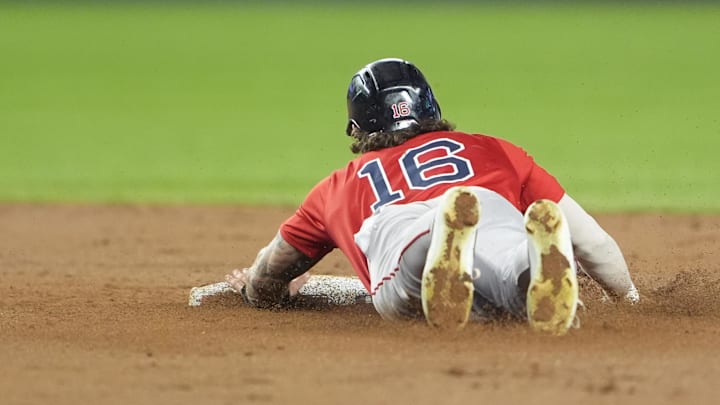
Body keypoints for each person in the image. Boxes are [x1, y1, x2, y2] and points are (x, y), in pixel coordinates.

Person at [225, 58, 639, 335]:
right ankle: (529, 266)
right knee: (506, 264)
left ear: (358, 128)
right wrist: (630, 302)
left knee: (409, 274)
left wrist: (259, 291)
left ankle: (438, 245)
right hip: (485, 205)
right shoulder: (494, 149)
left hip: (401, 228)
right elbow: (595, 244)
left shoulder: (339, 186)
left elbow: (268, 277)